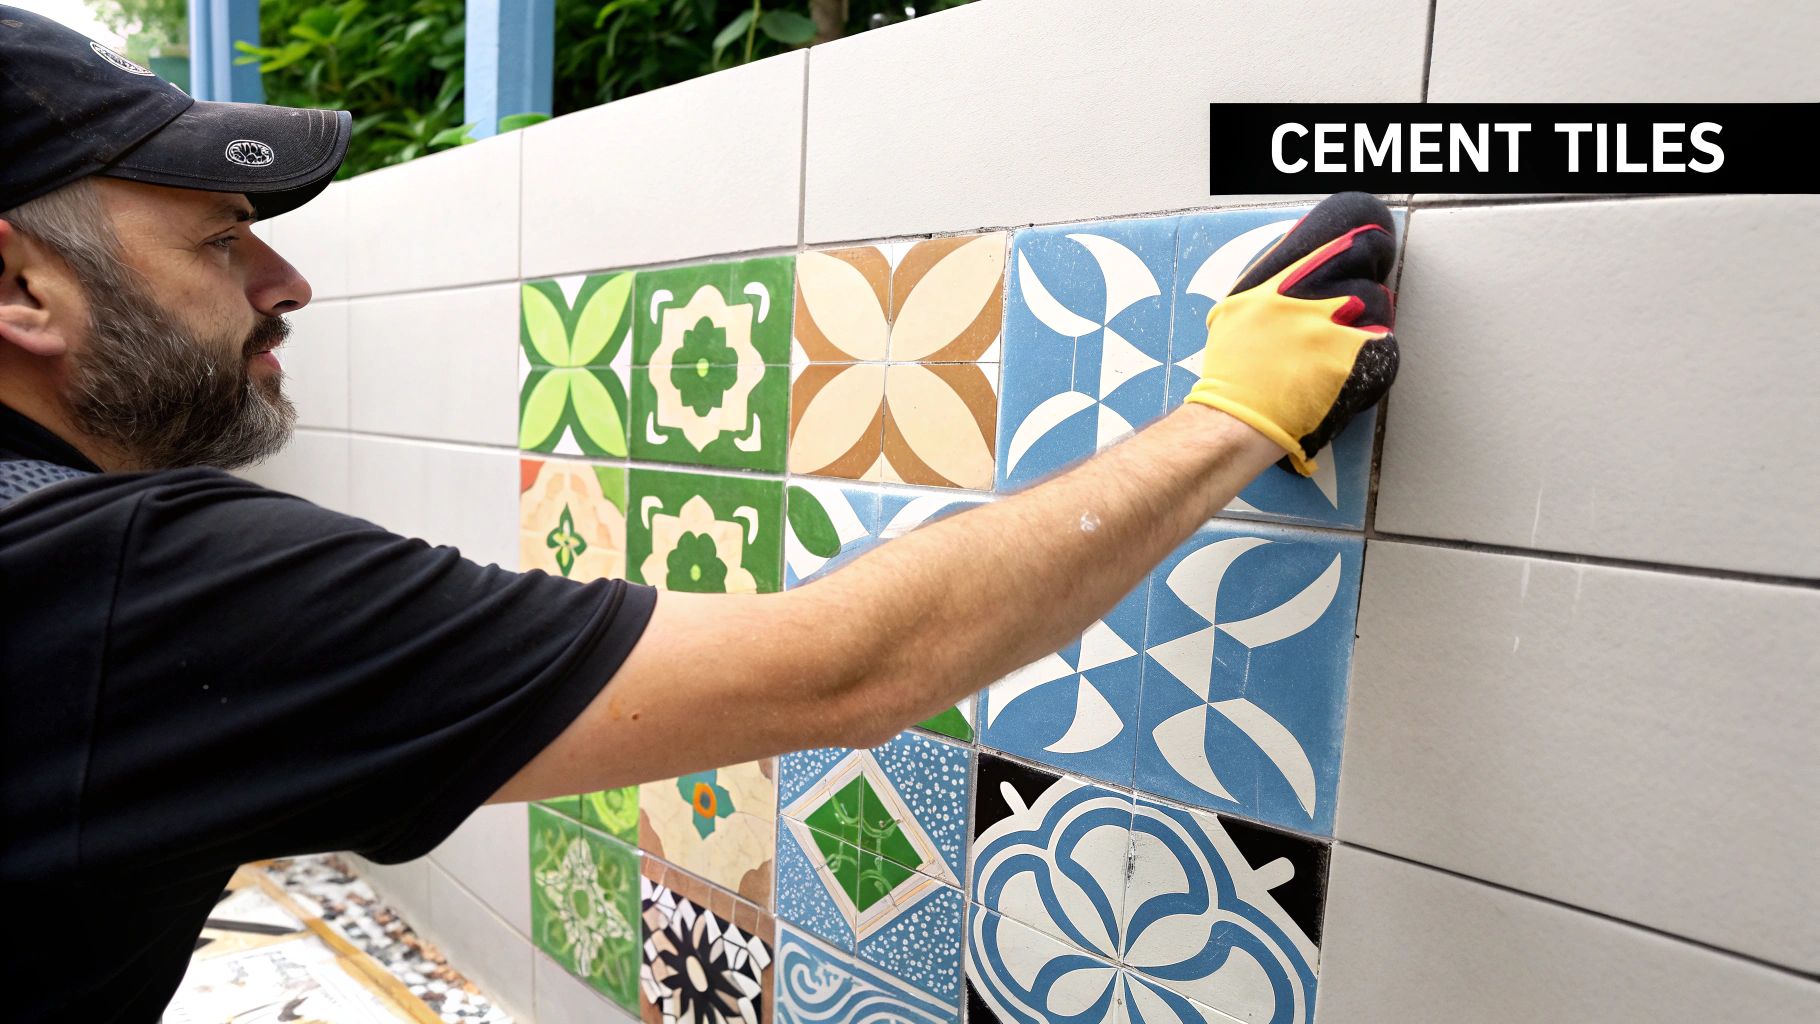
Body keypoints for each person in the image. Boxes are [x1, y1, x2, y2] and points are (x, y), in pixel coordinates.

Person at [0, 7, 1399, 1021]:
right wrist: (1233, 414)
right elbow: (845, 669)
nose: (286, 283)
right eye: (220, 240)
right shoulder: (126, 584)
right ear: (20, 289)